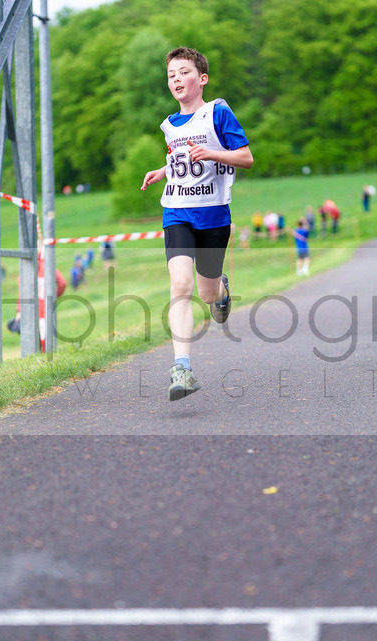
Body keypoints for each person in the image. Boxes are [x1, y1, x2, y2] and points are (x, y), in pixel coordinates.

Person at [140, 46, 253, 401]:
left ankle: (220, 289)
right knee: (180, 284)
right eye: (171, 75)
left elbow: (246, 158)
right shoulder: (168, 125)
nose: (176, 79)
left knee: (206, 293)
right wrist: (162, 171)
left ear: (201, 79)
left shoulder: (217, 112)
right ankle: (182, 368)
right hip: (177, 211)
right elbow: (178, 157)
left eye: (184, 72)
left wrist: (214, 153)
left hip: (214, 215)